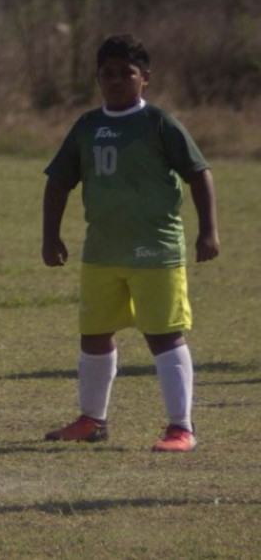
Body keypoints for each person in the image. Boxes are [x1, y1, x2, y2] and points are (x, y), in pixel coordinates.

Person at [42, 34, 219, 453]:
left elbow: (199, 174)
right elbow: (59, 182)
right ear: (98, 78)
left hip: (155, 251)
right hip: (102, 251)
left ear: (146, 78)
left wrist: (208, 230)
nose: (117, 80)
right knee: (95, 335)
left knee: (164, 335)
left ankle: (181, 427)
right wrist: (50, 236)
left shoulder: (159, 123)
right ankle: (92, 420)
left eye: (128, 73)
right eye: (108, 73)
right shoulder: (87, 126)